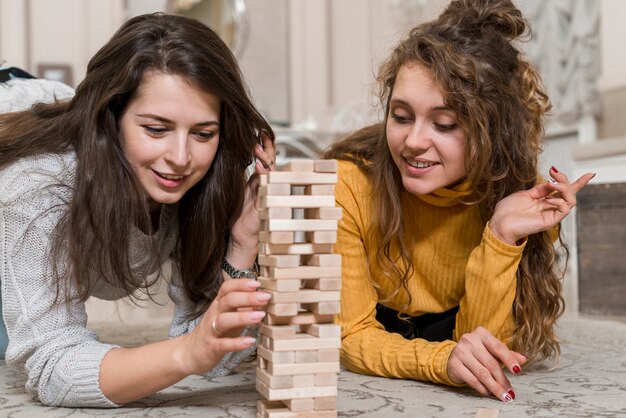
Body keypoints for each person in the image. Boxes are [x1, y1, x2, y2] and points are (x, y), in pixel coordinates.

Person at [323, 0, 595, 403]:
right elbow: (352, 335)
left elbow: (486, 357)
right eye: (401, 116)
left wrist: (502, 235)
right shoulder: (349, 185)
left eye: (444, 123)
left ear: (491, 130)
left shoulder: (524, 203)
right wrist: (440, 361)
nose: (414, 141)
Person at [0, 13, 276, 407]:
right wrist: (185, 353)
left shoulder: (208, 175)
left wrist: (242, 244)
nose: (181, 159)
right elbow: (52, 368)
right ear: (111, 119)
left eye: (203, 133)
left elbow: (214, 355)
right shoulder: (38, 177)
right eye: (156, 129)